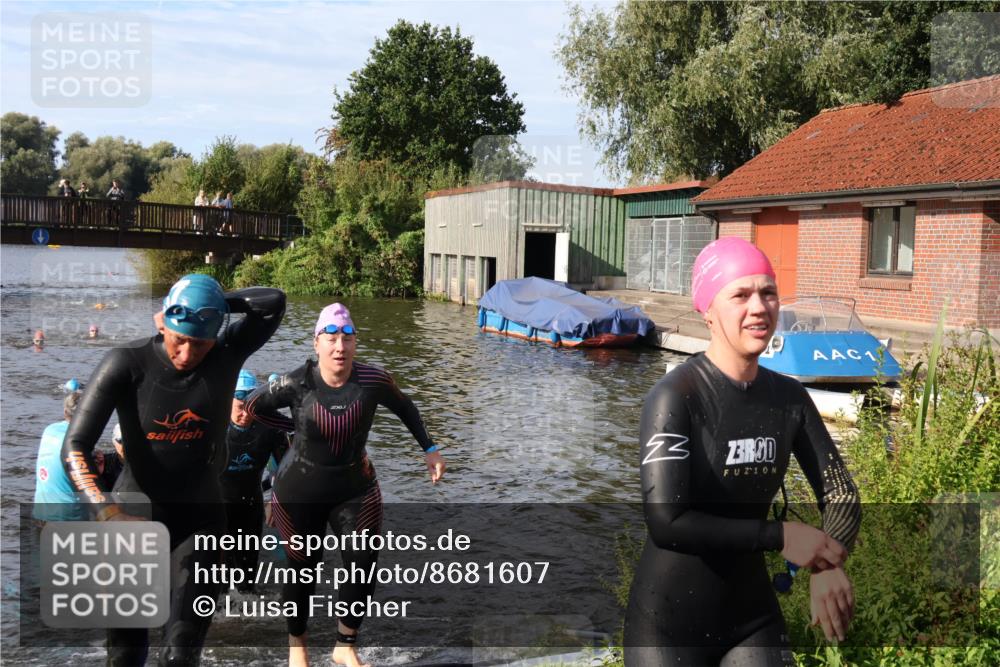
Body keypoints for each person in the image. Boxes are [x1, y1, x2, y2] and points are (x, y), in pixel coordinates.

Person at [624, 237, 861, 667]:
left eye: (768, 292)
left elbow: (840, 492)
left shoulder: (789, 398)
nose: (759, 307)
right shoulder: (675, 397)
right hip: (668, 626)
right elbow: (667, 521)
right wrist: (780, 536)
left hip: (751, 620)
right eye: (741, 294)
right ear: (708, 311)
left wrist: (828, 564)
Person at [61, 273, 286, 666]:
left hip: (200, 521)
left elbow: (273, 302)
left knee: (180, 653)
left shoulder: (227, 352)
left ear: (216, 335)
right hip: (132, 515)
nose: (186, 354)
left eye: (199, 343)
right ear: (161, 321)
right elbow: (74, 446)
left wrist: (213, 300)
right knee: (125, 655)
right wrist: (106, 512)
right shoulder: (126, 364)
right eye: (178, 339)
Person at [245, 303, 446, 667]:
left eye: (347, 338)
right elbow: (253, 405)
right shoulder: (295, 382)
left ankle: (345, 645)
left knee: (362, 564)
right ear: (316, 343)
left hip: (356, 487)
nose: (340, 346)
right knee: (302, 569)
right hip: (299, 490)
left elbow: (405, 406)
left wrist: (430, 449)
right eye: (331, 338)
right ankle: (298, 648)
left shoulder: (373, 381)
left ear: (355, 343)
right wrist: (293, 428)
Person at [219, 369, 290, 593]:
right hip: (217, 506)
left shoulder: (269, 428)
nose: (245, 415)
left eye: (251, 409)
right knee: (215, 576)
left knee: (246, 578)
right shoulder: (214, 429)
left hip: (250, 503)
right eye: (240, 408)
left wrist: (275, 501)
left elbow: (285, 467)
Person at [33, 391, 88, 522]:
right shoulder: (79, 440)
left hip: (40, 514)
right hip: (69, 519)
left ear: (65, 412)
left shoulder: (49, 430)